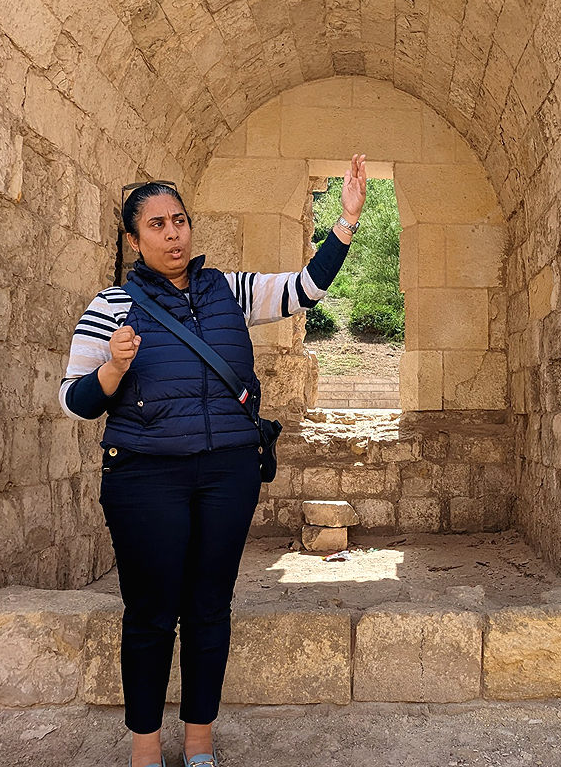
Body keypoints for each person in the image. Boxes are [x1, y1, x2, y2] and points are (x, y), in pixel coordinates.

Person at [58, 155, 368, 767]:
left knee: (208, 608)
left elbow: (304, 287)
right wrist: (113, 367)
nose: (173, 234)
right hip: (146, 476)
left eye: (180, 221)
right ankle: (145, 749)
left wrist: (347, 221)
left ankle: (199, 743)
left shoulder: (227, 289)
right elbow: (75, 401)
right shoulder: (111, 305)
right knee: (150, 614)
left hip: (226, 472)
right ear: (134, 238)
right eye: (157, 225)